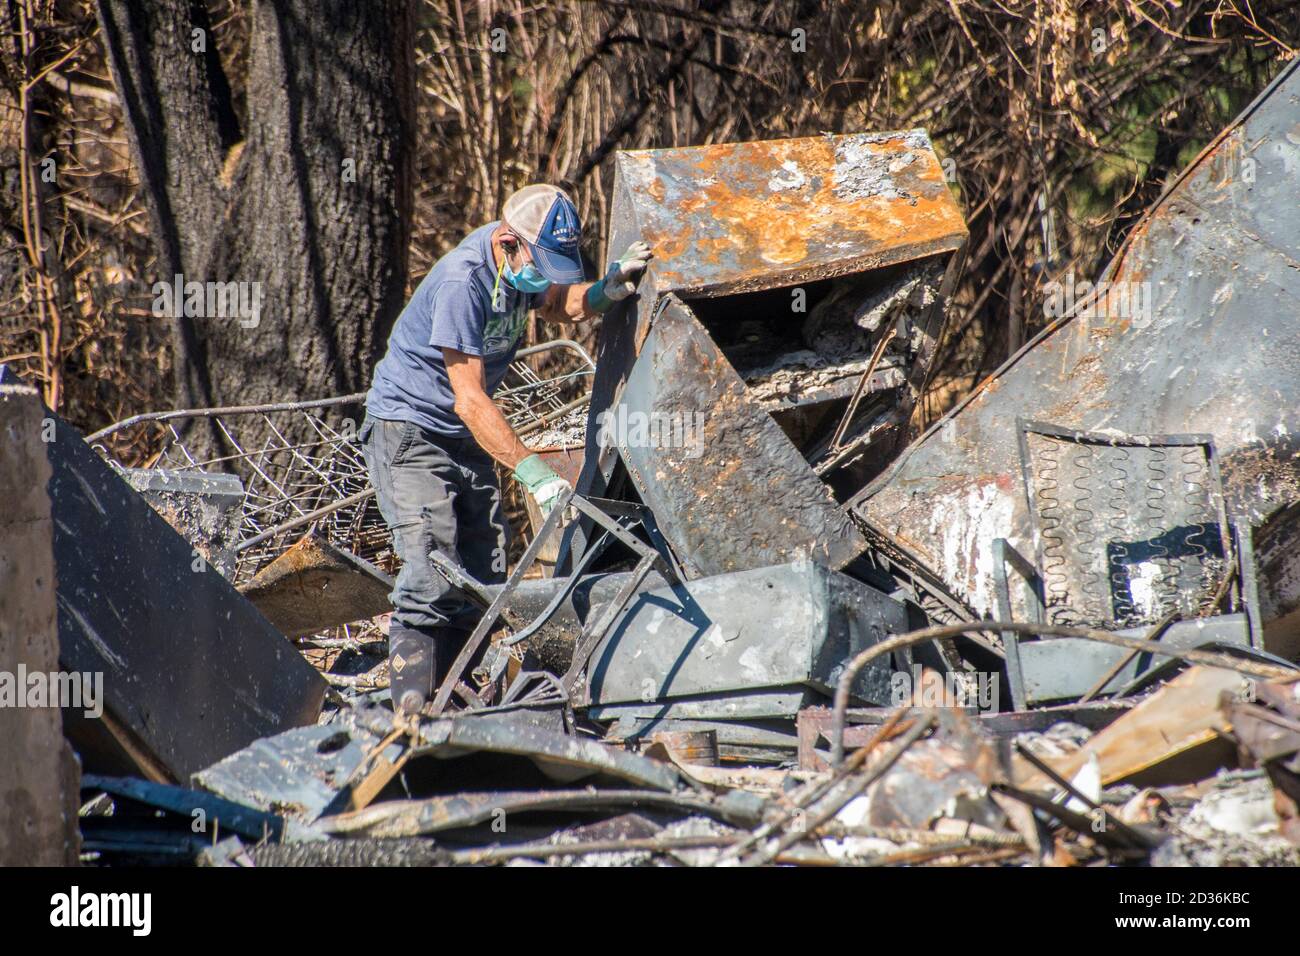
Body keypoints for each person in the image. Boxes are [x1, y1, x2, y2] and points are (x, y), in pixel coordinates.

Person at [361, 184, 652, 714]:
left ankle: (454, 704)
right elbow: (470, 400)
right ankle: (410, 711)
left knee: (482, 579)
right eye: (538, 263)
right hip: (411, 430)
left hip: (459, 434)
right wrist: (533, 471)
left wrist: (608, 289)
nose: (542, 276)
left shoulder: (521, 271)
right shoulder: (462, 281)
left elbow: (562, 302)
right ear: (506, 242)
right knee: (431, 568)